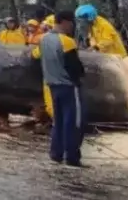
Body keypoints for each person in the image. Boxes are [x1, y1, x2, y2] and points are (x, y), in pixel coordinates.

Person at [31, 10, 85, 167]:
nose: (72, 26)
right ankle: (72, 157)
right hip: (68, 86)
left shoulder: (43, 40)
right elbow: (74, 67)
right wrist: (80, 78)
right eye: (71, 23)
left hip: (52, 86)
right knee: (73, 122)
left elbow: (35, 56)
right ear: (64, 22)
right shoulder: (67, 41)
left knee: (59, 120)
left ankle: (56, 154)